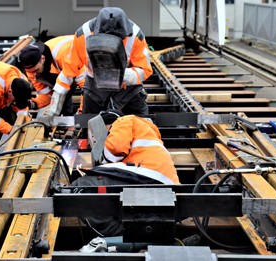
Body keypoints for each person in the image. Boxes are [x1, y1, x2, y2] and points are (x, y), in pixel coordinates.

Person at [71, 109, 179, 237]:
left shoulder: (124, 120)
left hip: (147, 178)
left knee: (82, 187)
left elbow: (115, 149)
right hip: (160, 184)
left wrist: (102, 159)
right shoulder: (144, 131)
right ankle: (142, 236)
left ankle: (118, 236)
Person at [50, 7, 153, 116]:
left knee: (140, 122)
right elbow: (68, 70)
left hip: (127, 89)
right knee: (89, 122)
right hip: (94, 88)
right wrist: (54, 106)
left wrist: (124, 76)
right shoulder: (83, 34)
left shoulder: (136, 36)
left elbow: (145, 70)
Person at [18, 35, 86, 115]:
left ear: (43, 59)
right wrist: (34, 103)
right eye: (30, 72)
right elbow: (48, 95)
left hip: (87, 60)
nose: (33, 74)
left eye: (36, 70)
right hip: (62, 68)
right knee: (61, 97)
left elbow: (87, 88)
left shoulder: (65, 57)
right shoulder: (32, 70)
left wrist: (82, 112)